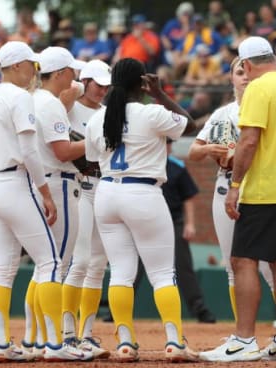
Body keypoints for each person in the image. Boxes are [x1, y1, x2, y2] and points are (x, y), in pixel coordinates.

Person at [199, 36, 276, 362]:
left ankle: (244, 340)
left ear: (247, 65)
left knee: (243, 261)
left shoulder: (258, 89)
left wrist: (235, 185)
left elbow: (249, 142)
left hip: (266, 188)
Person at [0, 41, 91, 362]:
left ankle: (1, 343)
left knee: (3, 269)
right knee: (51, 263)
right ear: (16, 67)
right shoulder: (19, 96)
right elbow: (29, 152)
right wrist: (44, 193)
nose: (34, 70)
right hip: (15, 182)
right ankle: (54, 345)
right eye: (30, 64)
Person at [84, 58, 198, 363]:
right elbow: (191, 124)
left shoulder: (97, 118)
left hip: (107, 193)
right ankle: (174, 341)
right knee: (162, 273)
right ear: (141, 83)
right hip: (143, 192)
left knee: (120, 272)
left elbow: (92, 159)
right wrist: (160, 94)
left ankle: (124, 342)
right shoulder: (152, 112)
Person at [22, 46, 87, 356]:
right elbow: (63, 151)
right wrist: (95, 142)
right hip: (58, 184)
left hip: (41, 181)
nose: (74, 76)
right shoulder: (49, 104)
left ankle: (33, 339)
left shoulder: (35, 100)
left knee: (44, 267)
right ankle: (52, 342)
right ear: (60, 73)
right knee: (55, 266)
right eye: (70, 71)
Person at [62, 59, 111, 358]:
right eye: (97, 83)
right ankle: (67, 334)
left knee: (97, 265)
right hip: (79, 186)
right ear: (85, 81)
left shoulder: (108, 113)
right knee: (79, 262)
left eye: (106, 84)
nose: (102, 89)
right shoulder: (68, 108)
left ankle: (87, 334)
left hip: (103, 185)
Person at [163, 138, 216, 323]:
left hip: (174, 221)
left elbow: (188, 197)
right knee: (133, 267)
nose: (167, 146)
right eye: (164, 143)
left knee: (183, 266)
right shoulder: (144, 164)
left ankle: (200, 309)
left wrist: (190, 223)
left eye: (168, 143)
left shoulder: (177, 166)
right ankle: (116, 311)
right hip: (147, 224)